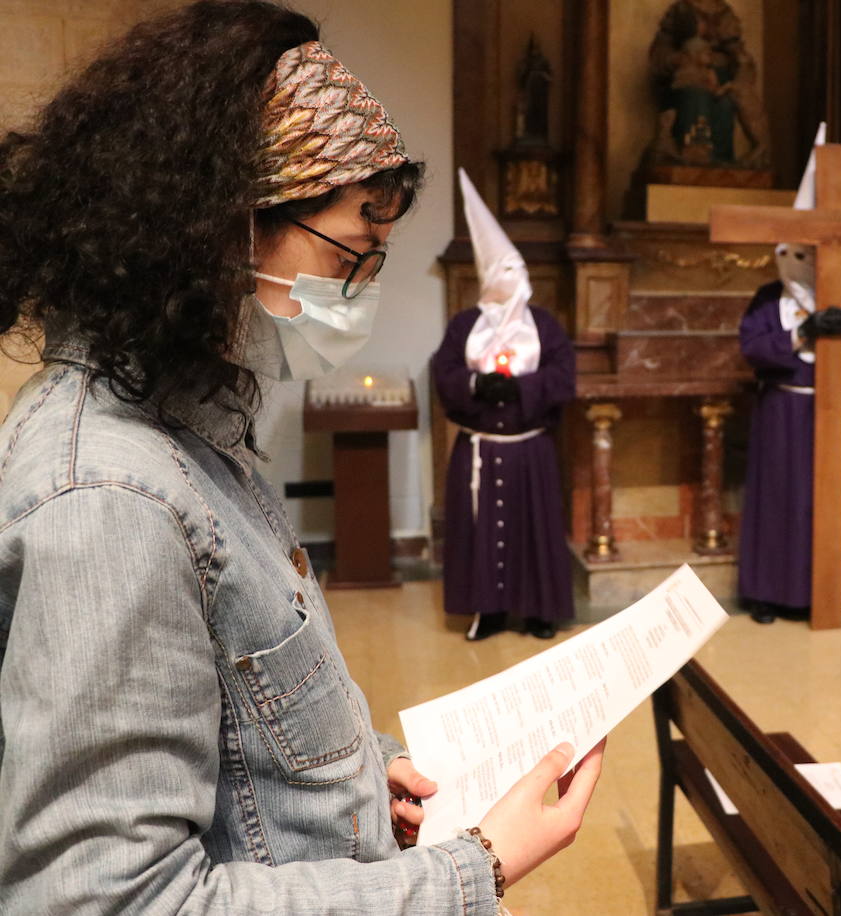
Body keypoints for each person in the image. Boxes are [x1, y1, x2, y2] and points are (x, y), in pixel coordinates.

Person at [0, 4, 602, 912]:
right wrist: (474, 867)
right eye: (353, 255)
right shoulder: (110, 497)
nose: (358, 295)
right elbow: (110, 900)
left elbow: (238, 730)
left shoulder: (197, 426)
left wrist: (367, 776)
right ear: (224, 224)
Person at [736, 124, 841, 624]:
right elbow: (752, 347)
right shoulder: (768, 299)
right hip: (784, 410)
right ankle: (770, 592)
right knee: (782, 500)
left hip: (836, 410)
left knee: (835, 500)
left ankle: (836, 588)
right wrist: (802, 338)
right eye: (793, 254)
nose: (800, 264)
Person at [431, 170, 575, 642]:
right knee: (480, 532)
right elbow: (444, 370)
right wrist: (477, 384)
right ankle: (488, 611)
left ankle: (539, 611)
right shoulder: (465, 325)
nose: (514, 281)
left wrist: (521, 390)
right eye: (504, 272)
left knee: (533, 531)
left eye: (518, 271)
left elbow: (563, 374)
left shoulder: (544, 326)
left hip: (528, 450)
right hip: (480, 447)